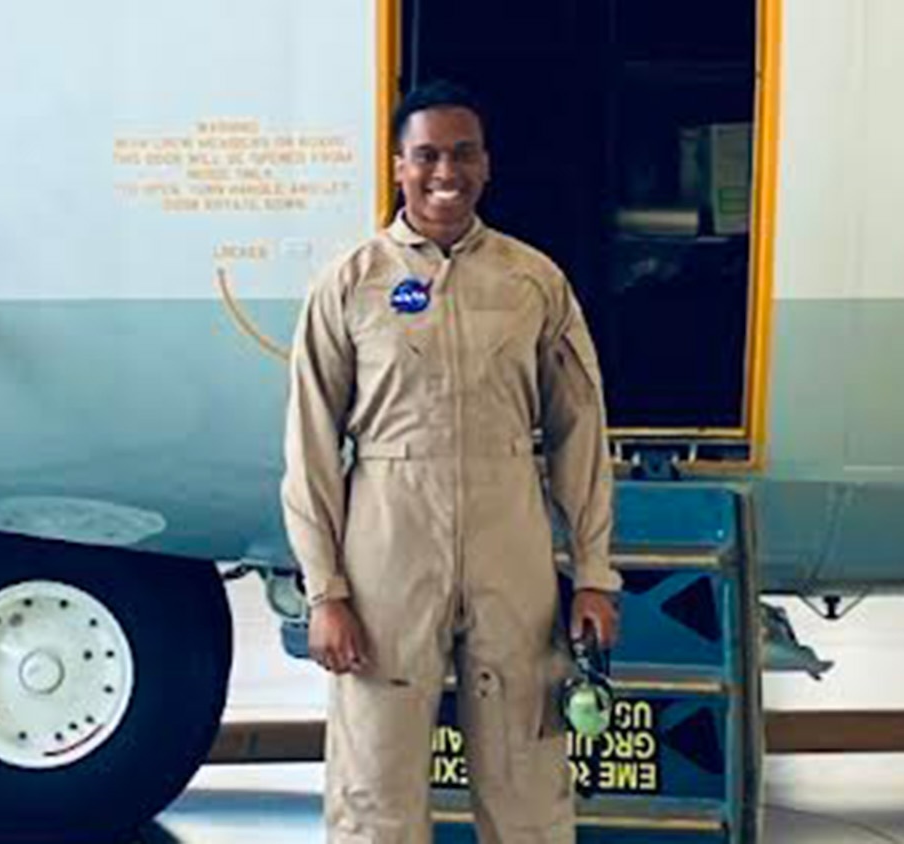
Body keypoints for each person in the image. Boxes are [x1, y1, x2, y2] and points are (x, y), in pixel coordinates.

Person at [281, 80, 621, 844]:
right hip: (387, 541)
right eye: (427, 154)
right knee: (376, 781)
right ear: (398, 166)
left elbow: (579, 432)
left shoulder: (533, 281)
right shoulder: (350, 283)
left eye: (463, 154)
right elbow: (308, 446)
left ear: (486, 165)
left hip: (512, 538)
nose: (446, 172)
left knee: (529, 776)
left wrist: (595, 574)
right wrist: (325, 591)